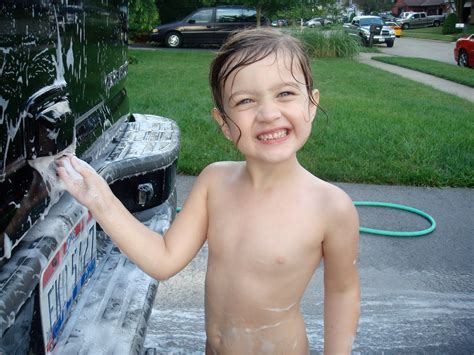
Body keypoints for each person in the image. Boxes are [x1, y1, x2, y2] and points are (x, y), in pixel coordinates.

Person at [57, 28, 360, 354]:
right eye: (245, 100)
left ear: (312, 104)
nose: (269, 113)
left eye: (285, 93)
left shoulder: (330, 208)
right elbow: (163, 259)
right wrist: (100, 198)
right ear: (225, 124)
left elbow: (342, 292)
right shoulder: (214, 182)